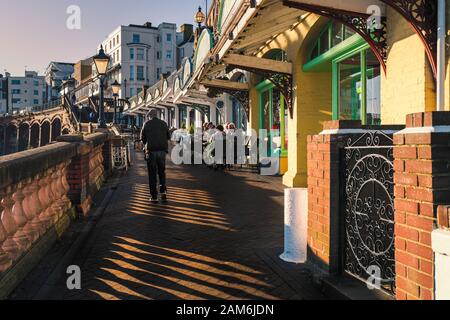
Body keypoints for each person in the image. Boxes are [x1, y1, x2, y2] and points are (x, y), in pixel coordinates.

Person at [141, 109, 171, 204]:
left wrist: (147, 144)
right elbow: (168, 136)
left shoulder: (146, 124)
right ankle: (163, 192)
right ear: (157, 115)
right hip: (162, 151)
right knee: (162, 172)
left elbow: (143, 138)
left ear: (150, 116)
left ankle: (154, 196)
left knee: (152, 174)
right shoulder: (164, 123)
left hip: (151, 152)